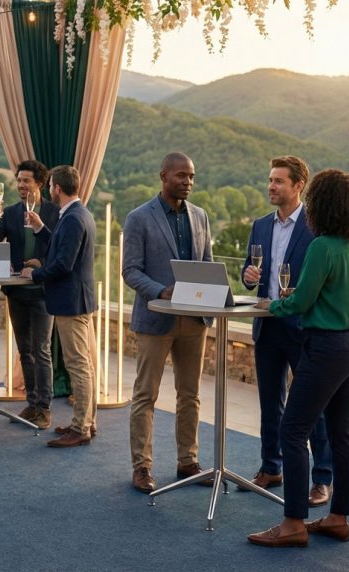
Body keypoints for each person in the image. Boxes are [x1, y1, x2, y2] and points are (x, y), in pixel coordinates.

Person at [248, 169, 349, 548]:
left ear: (324, 205)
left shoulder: (323, 246)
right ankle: (338, 518)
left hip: (328, 348)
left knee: (292, 430)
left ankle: (292, 524)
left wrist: (276, 304)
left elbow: (302, 301)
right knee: (343, 434)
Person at [240, 156, 334, 507]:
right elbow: (251, 271)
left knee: (314, 408)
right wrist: (248, 276)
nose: (271, 186)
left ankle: (322, 478)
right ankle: (271, 467)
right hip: (268, 325)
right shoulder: (260, 225)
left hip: (303, 328)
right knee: (270, 402)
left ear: (298, 186)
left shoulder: (316, 227)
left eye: (279, 181)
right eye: (269, 180)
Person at [122, 152, 213, 493]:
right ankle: (142, 467)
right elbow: (130, 270)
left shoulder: (201, 217)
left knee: (190, 395)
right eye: (181, 176)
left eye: (191, 176)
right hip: (156, 318)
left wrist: (215, 296)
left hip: (195, 321)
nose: (188, 182)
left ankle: (188, 461)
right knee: (146, 394)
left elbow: (207, 266)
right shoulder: (138, 218)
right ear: (163, 176)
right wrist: (162, 292)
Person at [21, 165, 96, 448]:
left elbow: (63, 264)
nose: (50, 190)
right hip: (78, 299)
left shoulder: (74, 218)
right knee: (83, 364)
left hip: (71, 301)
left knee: (77, 365)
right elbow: (60, 246)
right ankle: (87, 421)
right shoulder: (78, 214)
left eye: (50, 185)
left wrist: (35, 274)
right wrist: (41, 229)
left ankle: (80, 428)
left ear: (57, 189)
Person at [0, 159, 60, 429]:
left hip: (42, 292)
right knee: (25, 350)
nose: (21, 185)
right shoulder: (12, 211)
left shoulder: (54, 211)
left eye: (26, 180)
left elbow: (59, 245)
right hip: (16, 291)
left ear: (40, 183)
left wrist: (42, 262)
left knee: (41, 350)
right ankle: (31, 403)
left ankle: (45, 407)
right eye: (18, 181)